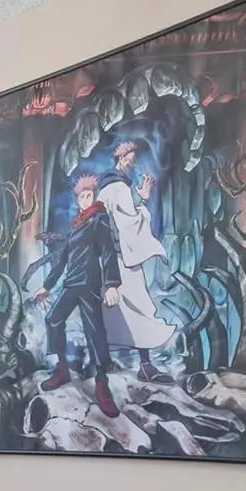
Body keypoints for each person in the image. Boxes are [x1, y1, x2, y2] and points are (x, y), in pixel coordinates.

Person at [31, 172, 124, 418]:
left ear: (94, 196)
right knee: (53, 319)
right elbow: (61, 260)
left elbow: (108, 251)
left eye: (89, 195)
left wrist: (112, 284)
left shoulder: (99, 219)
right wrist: (46, 286)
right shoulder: (76, 226)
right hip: (71, 284)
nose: (86, 199)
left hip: (90, 285)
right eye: (82, 196)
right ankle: (62, 370)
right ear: (78, 200)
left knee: (95, 333)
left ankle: (102, 385)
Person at [96, 141, 178, 381]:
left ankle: (104, 362)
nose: (130, 165)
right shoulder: (119, 188)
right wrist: (142, 202)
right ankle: (144, 365)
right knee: (140, 307)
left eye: (132, 162)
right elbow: (128, 224)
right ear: (120, 159)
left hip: (107, 259)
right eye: (128, 161)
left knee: (111, 311)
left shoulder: (105, 189)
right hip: (122, 260)